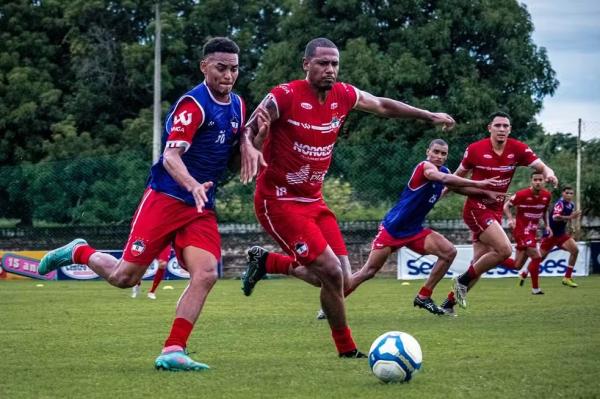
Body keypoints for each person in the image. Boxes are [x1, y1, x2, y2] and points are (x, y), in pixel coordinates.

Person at [37, 37, 261, 371]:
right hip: (166, 199)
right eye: (221, 68)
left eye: (234, 69)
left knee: (206, 273)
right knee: (124, 277)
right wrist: (192, 184)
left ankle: (173, 349)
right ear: (205, 66)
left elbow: (233, 142)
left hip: (199, 207)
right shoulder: (193, 106)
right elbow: (170, 156)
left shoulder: (238, 105)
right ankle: (77, 252)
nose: (228, 75)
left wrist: (251, 142)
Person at [239, 37, 456, 357]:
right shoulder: (284, 95)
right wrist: (250, 142)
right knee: (329, 271)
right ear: (306, 64)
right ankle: (347, 349)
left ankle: (268, 261)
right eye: (323, 63)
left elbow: (382, 105)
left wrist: (428, 114)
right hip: (279, 201)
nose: (330, 69)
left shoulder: (343, 94)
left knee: (339, 279)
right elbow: (254, 122)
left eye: (334, 64)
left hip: (314, 201)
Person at [344, 139, 501, 316]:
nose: (439, 156)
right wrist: (478, 183)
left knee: (449, 252)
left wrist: (485, 192)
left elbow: (459, 187)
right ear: (428, 152)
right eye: (436, 152)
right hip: (392, 230)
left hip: (414, 230)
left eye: (443, 154)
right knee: (369, 271)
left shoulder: (445, 172)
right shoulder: (425, 167)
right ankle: (332, 303)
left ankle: (424, 296)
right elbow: (442, 178)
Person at [442, 111, 557, 313]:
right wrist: (441, 192)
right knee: (504, 251)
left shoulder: (517, 148)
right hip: (476, 209)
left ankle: (449, 304)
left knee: (478, 264)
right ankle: (461, 281)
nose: (502, 129)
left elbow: (541, 166)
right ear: (490, 128)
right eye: (498, 125)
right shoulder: (475, 150)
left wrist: (549, 173)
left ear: (510, 129)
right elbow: (456, 178)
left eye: (506, 126)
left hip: (494, 211)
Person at [503, 173, 552, 295]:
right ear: (531, 181)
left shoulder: (547, 195)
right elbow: (506, 206)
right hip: (521, 231)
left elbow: (545, 211)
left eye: (540, 180)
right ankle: (535, 289)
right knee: (537, 256)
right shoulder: (521, 194)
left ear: (544, 181)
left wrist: (547, 225)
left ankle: (493, 259)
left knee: (517, 265)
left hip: (532, 231)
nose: (538, 182)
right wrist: (510, 219)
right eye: (535, 180)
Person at [538, 185, 582, 287]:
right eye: (567, 193)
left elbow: (567, 218)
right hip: (551, 235)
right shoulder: (560, 204)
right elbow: (555, 217)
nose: (569, 195)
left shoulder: (571, 205)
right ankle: (525, 272)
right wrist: (571, 217)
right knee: (540, 258)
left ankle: (567, 277)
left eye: (571, 193)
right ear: (563, 193)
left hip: (561, 235)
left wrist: (571, 226)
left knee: (575, 250)